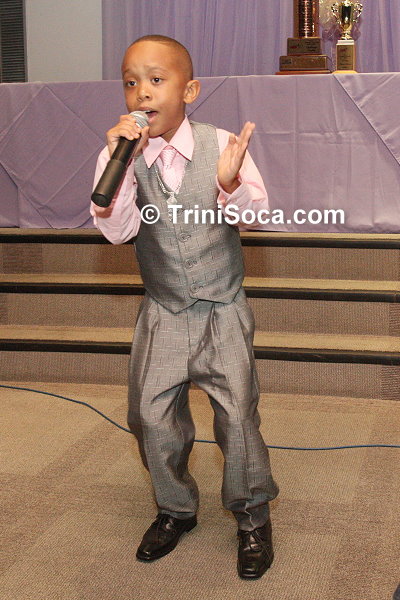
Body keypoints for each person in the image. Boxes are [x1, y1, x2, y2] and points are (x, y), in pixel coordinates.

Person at [91, 34, 278, 579]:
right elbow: (117, 231)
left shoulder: (223, 144)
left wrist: (229, 184)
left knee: (238, 417)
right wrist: (120, 165)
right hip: (164, 308)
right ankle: (175, 508)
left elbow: (256, 218)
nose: (142, 93)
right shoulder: (118, 155)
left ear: (189, 90)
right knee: (149, 416)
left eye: (156, 80)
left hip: (222, 307)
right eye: (131, 82)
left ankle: (252, 517)